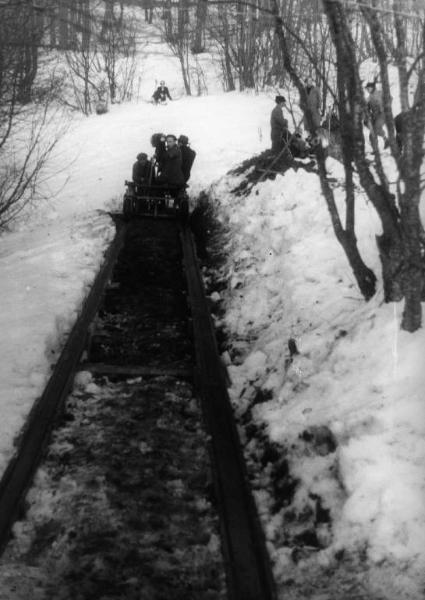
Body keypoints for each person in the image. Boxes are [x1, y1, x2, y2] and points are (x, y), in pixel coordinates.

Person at [365, 82, 389, 148]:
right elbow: (366, 106)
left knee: (376, 128)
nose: (367, 90)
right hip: (376, 116)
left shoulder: (379, 93)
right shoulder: (369, 97)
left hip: (383, 114)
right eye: (367, 89)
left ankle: (386, 140)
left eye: (368, 88)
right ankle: (376, 149)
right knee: (373, 133)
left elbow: (389, 99)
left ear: (372, 88)